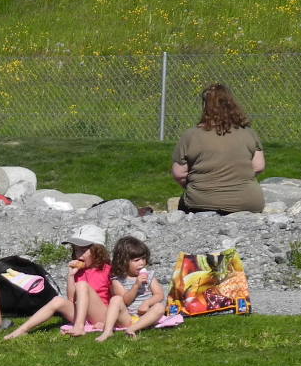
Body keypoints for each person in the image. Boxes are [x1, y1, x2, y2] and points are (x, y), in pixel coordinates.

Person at [171, 83, 266, 215]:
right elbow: (259, 166)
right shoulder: (248, 133)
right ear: (231, 104)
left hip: (202, 203)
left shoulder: (191, 135)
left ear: (205, 106)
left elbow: (179, 173)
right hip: (248, 203)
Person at [3, 224, 111, 339]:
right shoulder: (79, 271)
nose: (79, 254)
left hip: (102, 315)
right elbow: (71, 300)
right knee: (57, 300)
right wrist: (71, 275)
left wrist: (108, 322)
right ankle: (22, 330)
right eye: (76, 250)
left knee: (82, 285)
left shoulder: (108, 270)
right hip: (83, 315)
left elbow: (117, 300)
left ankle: (79, 327)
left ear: (98, 251)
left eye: (84, 250)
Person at [96, 236, 168, 340]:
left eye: (143, 258)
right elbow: (125, 301)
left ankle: (132, 329)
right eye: (136, 260)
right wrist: (136, 286)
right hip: (128, 318)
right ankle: (107, 331)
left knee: (159, 307)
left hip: (147, 315)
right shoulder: (117, 280)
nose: (141, 263)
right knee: (116, 299)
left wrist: (147, 303)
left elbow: (159, 295)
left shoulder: (149, 275)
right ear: (124, 262)